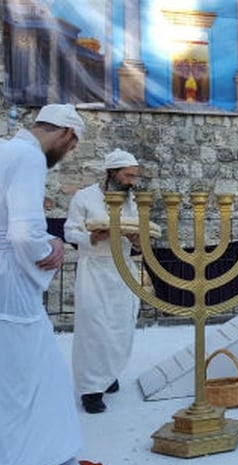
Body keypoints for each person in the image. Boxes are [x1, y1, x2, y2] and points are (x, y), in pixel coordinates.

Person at [0, 104, 129, 465]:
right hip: (11, 281)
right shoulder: (29, 157)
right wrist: (48, 245)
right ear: (67, 134)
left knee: (8, 382)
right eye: (70, 148)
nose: (65, 155)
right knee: (43, 380)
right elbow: (24, 234)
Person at [64, 149, 142, 414]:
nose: (132, 181)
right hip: (94, 269)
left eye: (134, 176)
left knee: (120, 325)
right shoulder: (84, 197)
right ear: (112, 173)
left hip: (122, 270)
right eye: (128, 175)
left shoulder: (131, 200)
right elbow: (70, 231)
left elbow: (138, 231)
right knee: (94, 329)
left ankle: (107, 375)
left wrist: (137, 239)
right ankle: (90, 389)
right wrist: (95, 236)